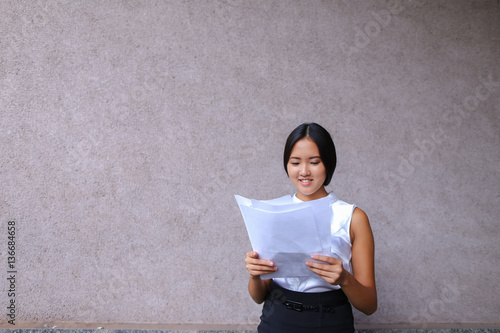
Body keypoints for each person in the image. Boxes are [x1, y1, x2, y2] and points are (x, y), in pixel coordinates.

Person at [244, 122, 377, 332]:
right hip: (277, 318)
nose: (304, 171)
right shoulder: (273, 213)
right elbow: (258, 296)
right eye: (295, 162)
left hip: (331, 320)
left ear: (328, 163)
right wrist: (255, 275)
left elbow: (369, 305)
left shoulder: (353, 217)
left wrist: (344, 278)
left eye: (314, 162)